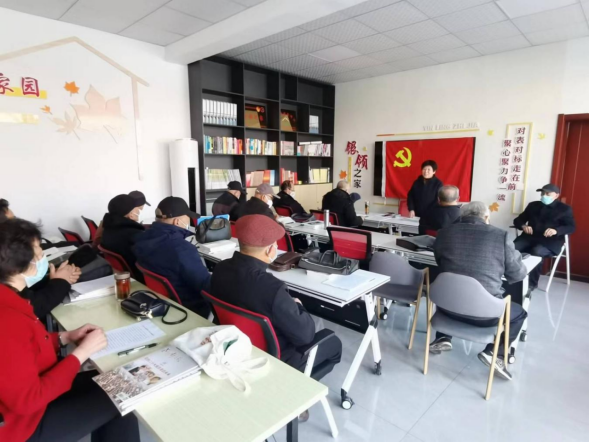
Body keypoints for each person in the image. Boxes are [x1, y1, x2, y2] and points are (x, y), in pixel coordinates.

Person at [0, 218, 139, 442]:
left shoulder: (10, 299)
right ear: (22, 264)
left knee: (117, 383)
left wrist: (63, 338)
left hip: (30, 394)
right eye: (38, 250)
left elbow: (22, 349)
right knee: (122, 394)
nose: (41, 256)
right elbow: (27, 401)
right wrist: (81, 353)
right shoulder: (7, 319)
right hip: (22, 425)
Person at [210, 215, 342, 380]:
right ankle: (298, 389)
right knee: (334, 344)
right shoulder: (272, 288)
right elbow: (305, 336)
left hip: (235, 343)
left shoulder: (220, 269)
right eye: (275, 244)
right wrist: (298, 305)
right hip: (275, 356)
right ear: (269, 250)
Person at [430, 202, 528, 381]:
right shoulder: (501, 236)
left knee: (453, 287)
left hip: (446, 310)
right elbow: (518, 274)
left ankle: (443, 337)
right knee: (519, 313)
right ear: (486, 217)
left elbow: (440, 261)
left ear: (461, 216)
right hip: (485, 316)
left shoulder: (444, 233)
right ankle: (495, 353)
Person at [133, 197, 211, 317]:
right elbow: (205, 285)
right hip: (189, 307)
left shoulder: (141, 237)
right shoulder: (182, 249)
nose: (190, 221)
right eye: (188, 217)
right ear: (177, 222)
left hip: (161, 299)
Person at [513, 184, 575, 290]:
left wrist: (556, 230)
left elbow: (571, 227)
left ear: (556, 195)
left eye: (547, 193)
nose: (543, 196)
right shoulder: (533, 205)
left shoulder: (564, 209)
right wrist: (523, 226)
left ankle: (532, 283)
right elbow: (518, 220)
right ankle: (512, 277)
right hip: (529, 237)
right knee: (511, 248)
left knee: (536, 251)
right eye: (542, 193)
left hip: (550, 241)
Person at [100, 194, 146, 282]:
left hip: (122, 274)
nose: (139, 211)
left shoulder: (108, 230)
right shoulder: (134, 235)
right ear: (130, 213)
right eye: (136, 208)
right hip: (139, 277)